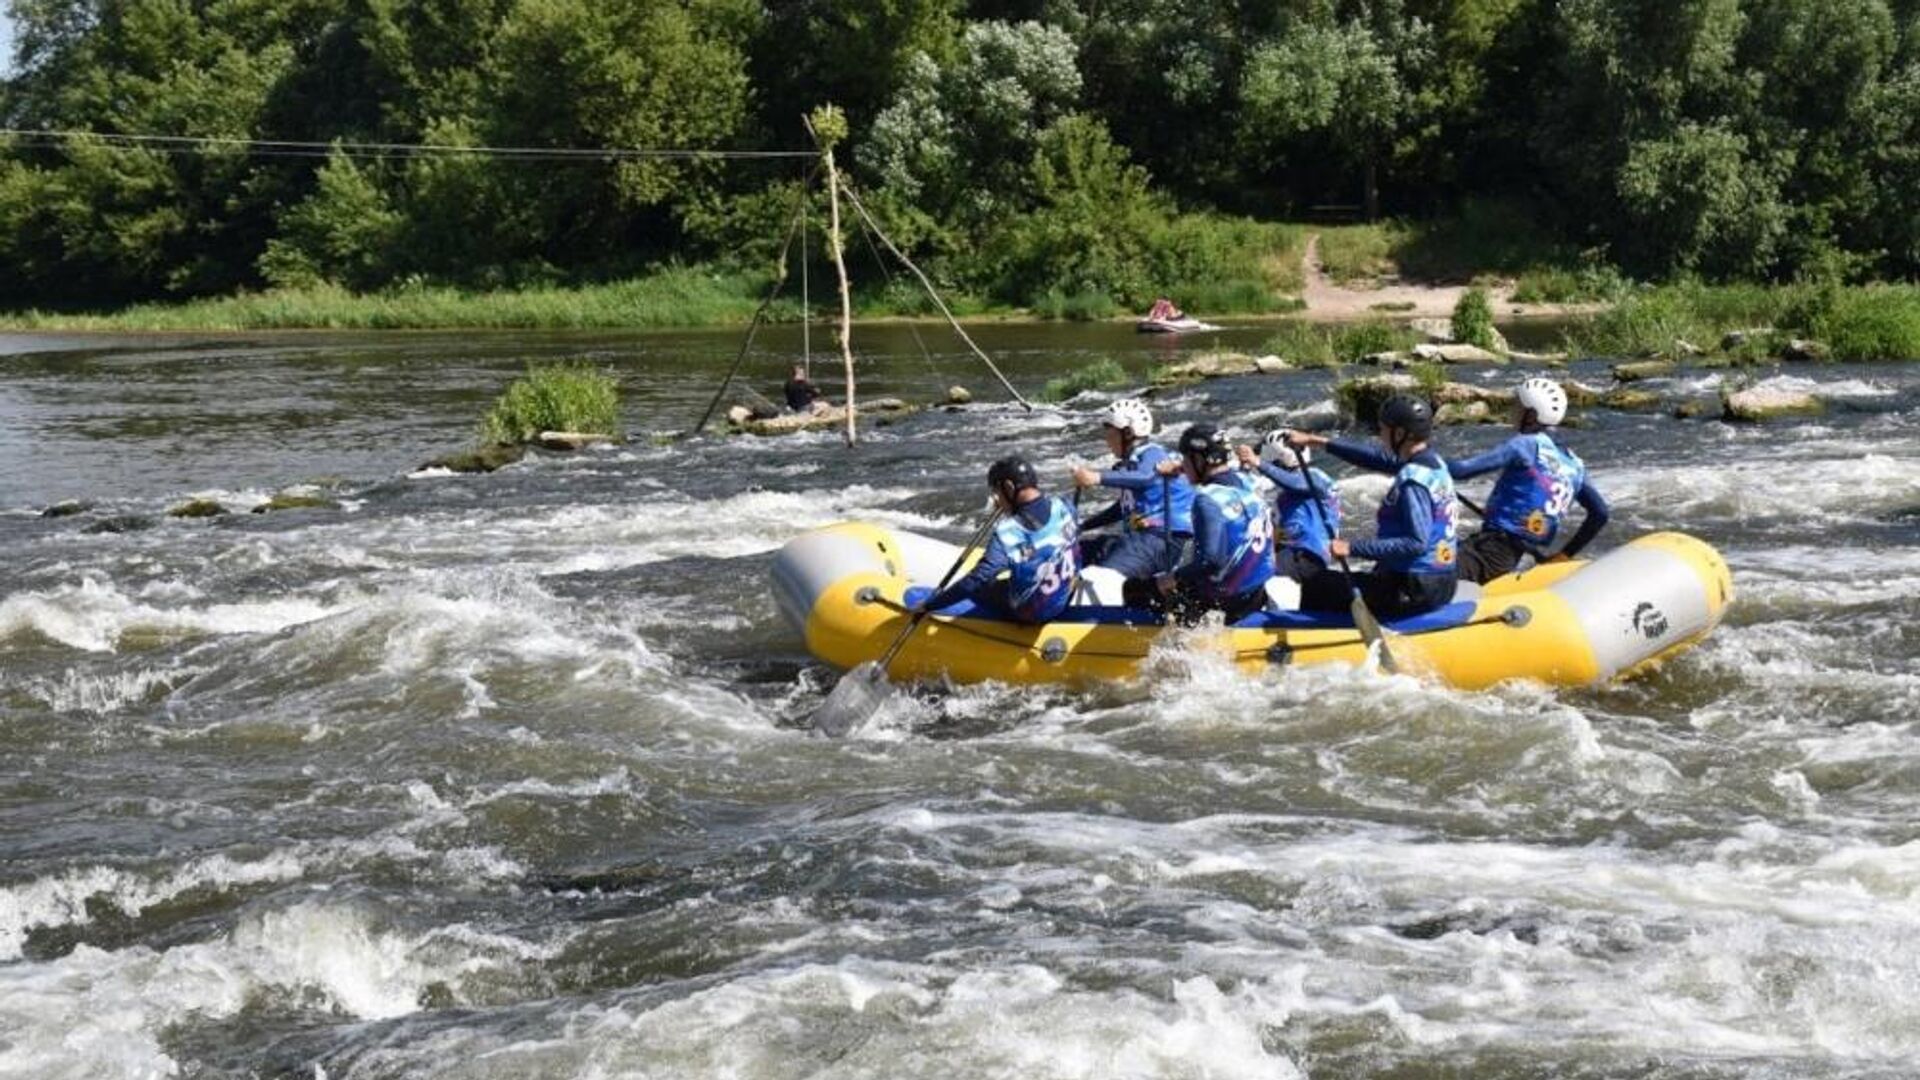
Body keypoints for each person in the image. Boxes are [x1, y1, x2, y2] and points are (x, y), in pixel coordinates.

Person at [1285, 395, 1459, 619]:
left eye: (1383, 430)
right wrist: (1315, 441)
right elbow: (1375, 459)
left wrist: (1351, 547)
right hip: (1441, 581)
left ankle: (1310, 641)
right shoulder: (1434, 463)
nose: (1380, 436)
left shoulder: (1412, 480)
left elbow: (1416, 543)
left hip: (1415, 589)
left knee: (1317, 584)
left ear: (1399, 434)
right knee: (1371, 573)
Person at [1446, 377, 1610, 582]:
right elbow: (1600, 513)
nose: (1513, 411)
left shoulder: (1526, 445)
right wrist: (1564, 555)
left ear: (1531, 416)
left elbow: (1462, 471)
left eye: (1518, 406)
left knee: (1418, 571)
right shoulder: (1574, 464)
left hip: (1491, 553)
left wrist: (1420, 459)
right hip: (1510, 555)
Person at [916, 457, 1080, 623]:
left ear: (1009, 487)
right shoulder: (1065, 505)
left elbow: (979, 578)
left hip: (1031, 613)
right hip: (1065, 596)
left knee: (981, 588)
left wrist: (932, 605)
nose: (996, 500)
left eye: (997, 493)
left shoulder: (1008, 533)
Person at [1153, 424, 1276, 624]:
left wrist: (1172, 578)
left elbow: (1211, 561)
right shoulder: (1249, 483)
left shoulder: (1206, 500)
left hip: (1224, 601)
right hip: (1256, 593)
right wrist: (1183, 468)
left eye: (1185, 458)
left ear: (1200, 460)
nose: (1182, 463)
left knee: (1140, 588)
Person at [1071, 399, 1195, 584]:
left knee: (1100, 577)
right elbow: (1123, 508)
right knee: (1078, 553)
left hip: (1162, 540)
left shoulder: (1152, 453)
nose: (1107, 441)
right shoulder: (1132, 462)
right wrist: (1082, 526)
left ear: (1128, 433)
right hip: (1143, 539)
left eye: (1111, 434)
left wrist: (1096, 477)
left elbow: (1146, 476)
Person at [1235, 431, 1341, 584]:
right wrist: (1244, 469)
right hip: (1293, 554)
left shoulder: (1316, 477)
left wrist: (1258, 462)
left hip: (1304, 555)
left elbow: (1296, 483)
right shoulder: (1287, 496)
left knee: (1256, 580)